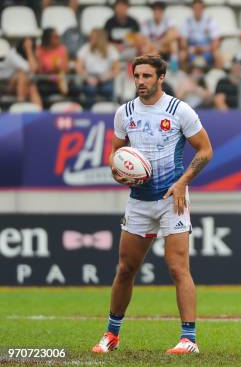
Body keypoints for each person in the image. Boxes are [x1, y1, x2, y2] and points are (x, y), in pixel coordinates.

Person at [92, 54, 213, 355]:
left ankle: (189, 339)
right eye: (137, 76)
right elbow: (115, 152)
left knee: (177, 268)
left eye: (147, 76)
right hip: (140, 201)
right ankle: (111, 335)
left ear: (161, 78)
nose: (141, 82)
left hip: (173, 199)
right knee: (125, 268)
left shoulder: (179, 110)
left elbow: (205, 150)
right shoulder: (125, 112)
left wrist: (183, 182)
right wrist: (117, 170)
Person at [76, 28, 120, 106]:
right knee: (90, 90)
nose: (90, 39)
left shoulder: (111, 49)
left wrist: (106, 76)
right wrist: (87, 77)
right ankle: (88, 113)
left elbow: (116, 69)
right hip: (89, 76)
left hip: (106, 77)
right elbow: (79, 67)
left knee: (108, 89)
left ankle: (109, 112)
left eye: (93, 37)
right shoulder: (85, 48)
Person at [181, 0, 221, 69]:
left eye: (200, 8)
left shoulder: (210, 20)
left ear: (203, 9)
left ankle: (216, 74)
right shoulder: (187, 21)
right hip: (192, 48)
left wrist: (205, 49)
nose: (198, 10)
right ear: (192, 9)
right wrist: (191, 49)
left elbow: (216, 41)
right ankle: (184, 74)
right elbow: (183, 42)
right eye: (195, 8)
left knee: (217, 54)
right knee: (182, 55)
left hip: (207, 48)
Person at [0, 38, 42, 107]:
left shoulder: (11, 55)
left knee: (30, 86)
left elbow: (31, 69)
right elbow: (31, 69)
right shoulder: (10, 55)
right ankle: (21, 105)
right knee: (23, 76)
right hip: (4, 86)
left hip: (9, 85)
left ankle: (23, 106)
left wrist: (29, 50)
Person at [36, 27, 70, 100]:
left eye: (58, 36)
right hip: (46, 78)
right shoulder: (39, 50)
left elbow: (66, 68)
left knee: (61, 75)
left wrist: (58, 68)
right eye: (55, 37)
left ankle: (65, 94)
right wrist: (52, 69)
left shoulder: (62, 49)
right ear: (48, 38)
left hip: (59, 77)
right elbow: (39, 71)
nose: (58, 38)